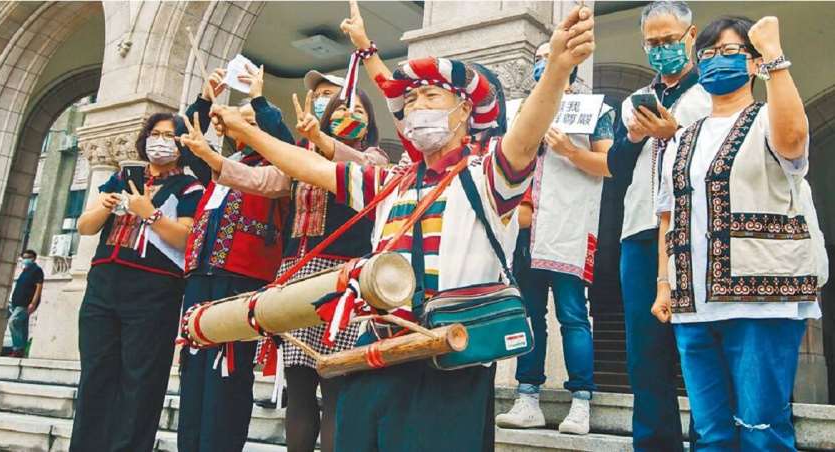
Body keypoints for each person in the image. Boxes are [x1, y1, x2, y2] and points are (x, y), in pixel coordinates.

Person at [205, 2, 594, 449]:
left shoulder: (488, 176)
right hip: (376, 352)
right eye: (411, 100)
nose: (418, 106)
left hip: (450, 358)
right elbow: (311, 168)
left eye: (432, 97)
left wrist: (558, 69)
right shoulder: (390, 182)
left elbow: (526, 134)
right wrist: (249, 133)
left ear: (465, 111)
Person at [181, 83, 388, 452]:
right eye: (341, 108)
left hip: (342, 280)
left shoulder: (374, 159)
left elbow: (355, 169)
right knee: (300, 387)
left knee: (335, 386)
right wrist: (210, 158)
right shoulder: (300, 157)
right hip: (295, 276)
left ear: (371, 122)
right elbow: (261, 179)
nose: (348, 115)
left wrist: (322, 141)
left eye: (359, 110)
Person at [652, 15, 822, 450]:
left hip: (762, 298)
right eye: (706, 54)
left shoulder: (768, 116)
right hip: (693, 305)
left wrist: (775, 59)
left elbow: (794, 140)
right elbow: (668, 215)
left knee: (761, 428)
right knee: (709, 434)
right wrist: (664, 283)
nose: (714, 62)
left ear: (752, 63)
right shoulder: (682, 138)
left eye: (729, 52)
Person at [605, 2, 710, 449]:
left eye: (670, 40)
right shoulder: (634, 102)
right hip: (639, 233)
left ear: (691, 36)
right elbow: (614, 165)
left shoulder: (710, 94)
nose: (662, 49)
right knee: (644, 352)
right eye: (653, 43)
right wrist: (632, 136)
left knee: (700, 342)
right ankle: (654, 442)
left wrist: (677, 137)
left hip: (697, 231)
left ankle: (710, 437)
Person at [496, 41, 614, 434]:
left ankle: (581, 401)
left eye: (551, 56)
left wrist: (569, 151)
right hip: (525, 229)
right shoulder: (519, 112)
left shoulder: (595, 110)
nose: (543, 63)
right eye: (539, 59)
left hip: (568, 228)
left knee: (572, 315)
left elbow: (609, 165)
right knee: (528, 316)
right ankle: (527, 397)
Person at [69, 111, 205, 452]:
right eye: (155, 133)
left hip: (153, 290)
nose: (160, 141)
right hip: (104, 284)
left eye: (170, 136)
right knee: (96, 375)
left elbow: (186, 238)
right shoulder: (121, 178)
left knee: (140, 379)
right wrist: (107, 205)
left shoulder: (190, 186)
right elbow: (85, 226)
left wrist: (150, 213)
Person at [176, 66, 291, 452]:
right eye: (237, 121)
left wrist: (259, 101)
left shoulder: (280, 169)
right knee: (193, 367)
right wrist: (206, 99)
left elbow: (285, 140)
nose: (240, 127)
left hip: (243, 276)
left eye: (250, 122)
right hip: (200, 276)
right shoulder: (216, 168)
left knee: (228, 371)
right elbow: (184, 142)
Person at [6, 249, 44, 358]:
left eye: (28, 257)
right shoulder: (24, 271)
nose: (25, 259)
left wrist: (33, 302)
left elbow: (39, 287)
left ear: (33, 258)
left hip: (26, 303)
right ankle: (21, 351)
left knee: (13, 322)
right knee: (23, 326)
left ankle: (18, 348)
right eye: (24, 257)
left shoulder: (37, 270)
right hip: (17, 303)